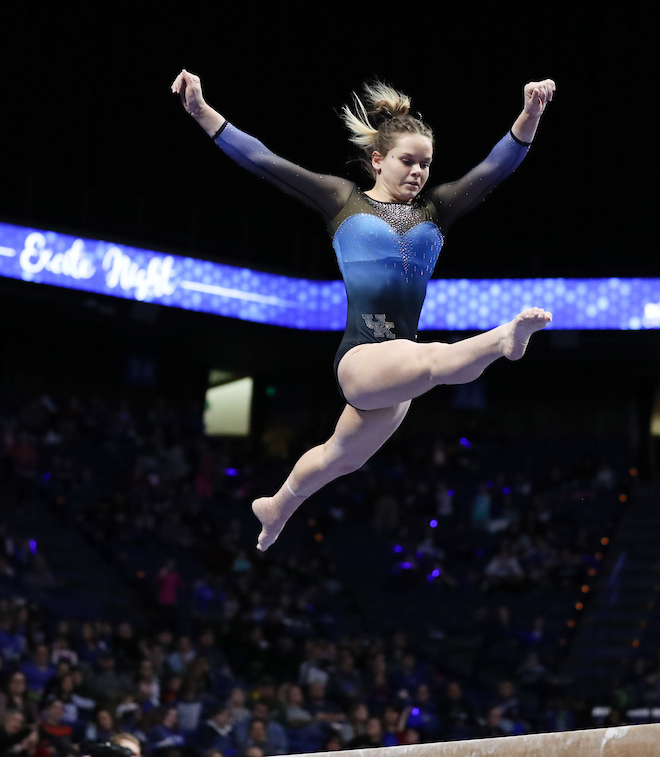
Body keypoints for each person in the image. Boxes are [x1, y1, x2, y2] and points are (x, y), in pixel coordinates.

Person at [171, 70, 557, 551]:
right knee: (436, 362)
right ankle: (503, 339)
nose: (418, 172)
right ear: (378, 160)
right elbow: (263, 160)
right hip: (361, 358)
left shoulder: (437, 209)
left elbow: (495, 166)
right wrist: (201, 111)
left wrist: (531, 112)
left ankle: (277, 506)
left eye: (426, 164)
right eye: (407, 161)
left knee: (341, 458)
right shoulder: (342, 201)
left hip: (398, 365)